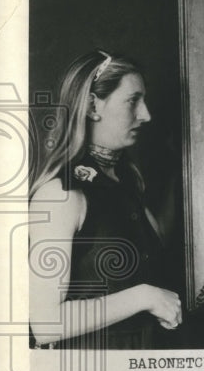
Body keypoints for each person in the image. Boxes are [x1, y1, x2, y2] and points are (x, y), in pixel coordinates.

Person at [28, 51, 181, 349]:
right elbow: (44, 323)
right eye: (133, 101)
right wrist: (144, 297)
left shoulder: (126, 181)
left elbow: (154, 248)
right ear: (92, 106)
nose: (146, 115)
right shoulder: (60, 194)